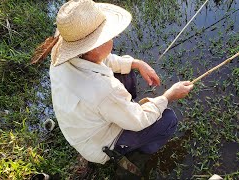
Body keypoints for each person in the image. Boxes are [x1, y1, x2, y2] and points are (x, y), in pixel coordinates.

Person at [49, 0, 193, 166]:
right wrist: (169, 96)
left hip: (84, 124)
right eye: (109, 36)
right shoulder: (102, 89)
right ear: (94, 46)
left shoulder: (65, 52)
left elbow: (101, 59)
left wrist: (136, 63)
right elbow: (139, 120)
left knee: (126, 71)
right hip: (99, 145)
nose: (114, 37)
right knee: (168, 119)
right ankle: (138, 150)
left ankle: (122, 111)